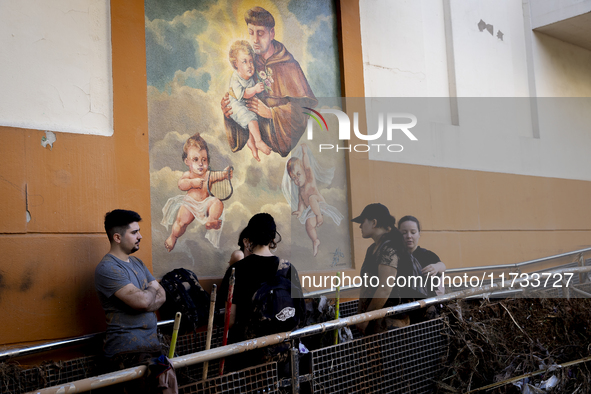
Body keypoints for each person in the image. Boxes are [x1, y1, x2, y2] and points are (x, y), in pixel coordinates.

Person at [221, 6, 317, 157]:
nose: (255, 40)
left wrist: (272, 113)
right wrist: (228, 111)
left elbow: (305, 109)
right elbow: (239, 97)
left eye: (260, 33)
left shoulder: (289, 65)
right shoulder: (248, 63)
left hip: (278, 145)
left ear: (272, 33)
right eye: (251, 33)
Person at [217, 213, 304, 371]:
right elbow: (300, 313)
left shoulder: (237, 270)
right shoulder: (288, 268)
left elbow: (230, 319)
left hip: (248, 356)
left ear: (249, 237)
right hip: (283, 355)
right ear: (273, 238)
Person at [95, 210, 166, 375]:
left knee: (167, 384)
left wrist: (145, 300)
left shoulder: (137, 262)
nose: (140, 236)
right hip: (126, 354)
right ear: (117, 238)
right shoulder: (107, 268)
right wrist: (148, 295)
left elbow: (162, 295)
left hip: (152, 349)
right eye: (134, 232)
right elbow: (143, 301)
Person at [352, 203, 421, 335]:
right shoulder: (372, 249)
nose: (360, 226)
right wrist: (360, 314)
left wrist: (366, 317)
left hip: (391, 324)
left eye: (362, 221)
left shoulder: (389, 249)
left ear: (374, 222)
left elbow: (384, 289)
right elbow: (366, 285)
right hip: (374, 319)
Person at [161, 133, 233, 250]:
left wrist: (226, 174)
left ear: (208, 161)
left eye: (204, 160)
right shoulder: (188, 175)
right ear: (187, 161)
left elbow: (220, 176)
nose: (200, 163)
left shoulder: (209, 175)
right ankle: (173, 237)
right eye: (195, 159)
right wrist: (192, 183)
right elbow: (181, 184)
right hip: (190, 203)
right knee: (181, 223)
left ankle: (211, 220)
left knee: (217, 202)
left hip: (205, 204)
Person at [282, 143, 344, 256]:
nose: (297, 180)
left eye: (299, 174)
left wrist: (305, 153)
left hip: (319, 204)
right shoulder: (300, 190)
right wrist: (300, 211)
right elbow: (301, 202)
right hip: (312, 210)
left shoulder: (310, 178)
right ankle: (315, 240)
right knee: (309, 225)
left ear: (305, 172)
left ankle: (319, 216)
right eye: (294, 178)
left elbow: (307, 165)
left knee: (311, 198)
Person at [227, 40, 271, 162]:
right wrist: (255, 89)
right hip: (236, 107)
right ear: (236, 64)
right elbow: (243, 94)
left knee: (253, 118)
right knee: (251, 118)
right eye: (244, 62)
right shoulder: (235, 78)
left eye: (251, 61)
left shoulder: (250, 77)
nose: (249, 65)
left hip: (244, 105)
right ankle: (258, 141)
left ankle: (251, 142)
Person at [399, 215, 446, 296]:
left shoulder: (427, 255)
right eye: (404, 233)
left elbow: (442, 266)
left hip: (428, 303)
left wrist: (436, 267)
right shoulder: (395, 256)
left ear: (419, 234)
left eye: (413, 232)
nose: (409, 236)